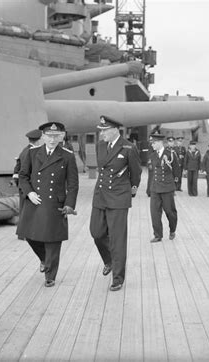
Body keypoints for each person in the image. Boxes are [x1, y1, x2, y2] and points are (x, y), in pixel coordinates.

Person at [16, 122, 79, 287]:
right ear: (42, 136)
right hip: (35, 200)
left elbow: (72, 184)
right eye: (49, 136)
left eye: (56, 136)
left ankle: (50, 275)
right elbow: (23, 176)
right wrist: (29, 192)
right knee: (28, 235)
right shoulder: (32, 153)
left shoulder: (67, 156)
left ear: (61, 137)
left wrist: (69, 204)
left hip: (54, 203)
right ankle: (44, 258)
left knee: (52, 239)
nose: (52, 140)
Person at [90, 116, 141, 292]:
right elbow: (101, 170)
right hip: (100, 195)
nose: (101, 133)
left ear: (115, 130)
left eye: (104, 130)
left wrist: (131, 191)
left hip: (119, 198)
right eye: (100, 130)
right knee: (96, 232)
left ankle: (118, 278)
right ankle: (109, 260)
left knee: (117, 240)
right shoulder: (100, 146)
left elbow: (136, 172)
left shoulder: (128, 147)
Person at [149, 133, 181, 243]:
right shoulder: (153, 155)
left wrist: (174, 186)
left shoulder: (170, 154)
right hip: (155, 188)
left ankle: (172, 229)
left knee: (170, 212)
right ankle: (158, 235)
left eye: (153, 143)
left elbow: (177, 170)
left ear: (159, 143)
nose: (152, 145)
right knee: (154, 213)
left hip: (167, 188)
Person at [12, 129, 43, 215]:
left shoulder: (24, 150)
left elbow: (17, 169)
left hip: (23, 186)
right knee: (31, 214)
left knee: (24, 212)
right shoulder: (33, 152)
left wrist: (19, 184)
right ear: (38, 141)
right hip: (30, 187)